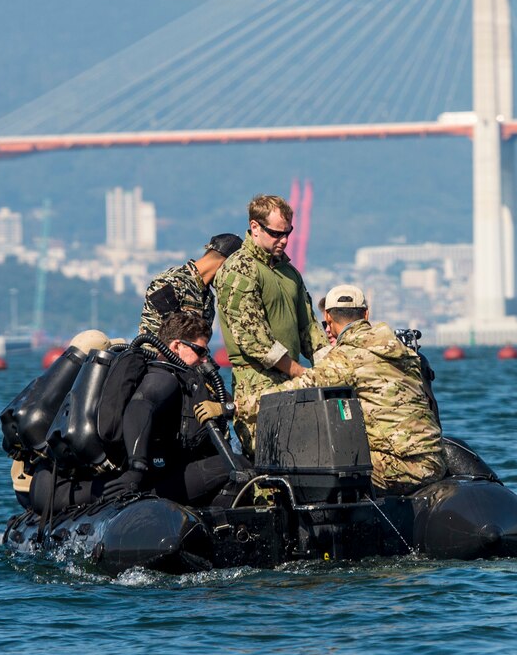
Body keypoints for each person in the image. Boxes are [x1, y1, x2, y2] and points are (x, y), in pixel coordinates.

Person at [28, 314, 233, 511]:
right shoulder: (164, 378)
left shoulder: (178, 378)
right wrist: (136, 470)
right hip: (141, 482)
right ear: (177, 346)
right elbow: (140, 406)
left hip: (138, 478)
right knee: (236, 466)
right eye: (200, 351)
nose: (204, 359)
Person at [262, 284, 445, 495]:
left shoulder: (346, 358)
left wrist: (232, 406)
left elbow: (291, 393)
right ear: (366, 314)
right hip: (434, 461)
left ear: (328, 321)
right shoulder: (400, 349)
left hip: (401, 467)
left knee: (313, 466)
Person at [214, 194, 327, 458]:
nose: (285, 240)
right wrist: (299, 371)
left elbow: (309, 328)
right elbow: (253, 339)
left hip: (293, 381)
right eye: (276, 233)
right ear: (255, 228)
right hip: (257, 384)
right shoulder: (239, 269)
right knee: (267, 459)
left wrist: (328, 367)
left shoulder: (290, 273)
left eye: (288, 232)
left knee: (302, 455)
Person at [138, 232, 242, 337]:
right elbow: (171, 334)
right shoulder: (171, 281)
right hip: (155, 352)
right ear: (225, 264)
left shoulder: (208, 298)